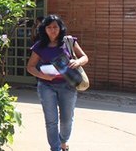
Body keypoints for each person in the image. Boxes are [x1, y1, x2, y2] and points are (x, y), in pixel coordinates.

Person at [26, 14, 89, 151]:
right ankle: (55, 148)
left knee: (66, 119)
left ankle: (63, 141)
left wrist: (77, 61)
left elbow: (84, 57)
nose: (53, 30)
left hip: (68, 84)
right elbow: (30, 67)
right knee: (51, 120)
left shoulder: (69, 41)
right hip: (46, 86)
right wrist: (43, 75)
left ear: (61, 28)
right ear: (44, 29)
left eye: (55, 27)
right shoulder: (40, 46)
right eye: (49, 27)